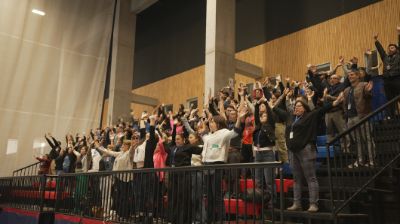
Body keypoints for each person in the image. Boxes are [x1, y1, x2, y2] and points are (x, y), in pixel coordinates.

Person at [273, 93, 344, 212]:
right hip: (292, 151)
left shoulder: (310, 116)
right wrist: (282, 96)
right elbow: (274, 108)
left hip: (306, 149)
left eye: (299, 106)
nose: (296, 108)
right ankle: (297, 204)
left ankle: (313, 204)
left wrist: (334, 103)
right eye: (295, 106)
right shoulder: (290, 117)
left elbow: (322, 110)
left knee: (310, 178)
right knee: (296, 178)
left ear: (305, 108)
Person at [343, 69, 374, 167]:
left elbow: (368, 95)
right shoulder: (347, 90)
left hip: (361, 116)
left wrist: (368, 92)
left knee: (367, 139)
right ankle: (360, 160)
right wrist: (346, 116)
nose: (350, 76)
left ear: (358, 76)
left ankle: (371, 160)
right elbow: (344, 104)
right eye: (349, 75)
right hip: (350, 118)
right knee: (357, 141)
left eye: (352, 74)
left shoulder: (363, 85)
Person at [374, 27, 400, 101]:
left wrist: (399, 34)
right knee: (390, 100)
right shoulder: (385, 57)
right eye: (389, 48)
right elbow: (380, 50)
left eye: (392, 48)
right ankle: (393, 113)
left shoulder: (399, 56)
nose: (390, 49)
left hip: (397, 79)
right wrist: (376, 40)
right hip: (386, 81)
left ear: (396, 49)